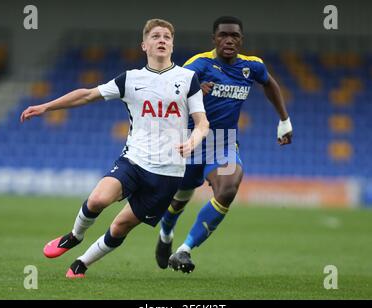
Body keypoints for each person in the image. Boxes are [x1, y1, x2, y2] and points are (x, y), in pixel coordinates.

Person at [20, 18, 209, 278]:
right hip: (134, 160)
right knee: (98, 199)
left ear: (173, 45)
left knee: (120, 227)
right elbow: (87, 94)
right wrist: (45, 106)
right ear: (144, 45)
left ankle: (81, 264)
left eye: (167, 36)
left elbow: (202, 123)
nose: (162, 40)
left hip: (169, 173)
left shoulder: (188, 79)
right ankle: (75, 235)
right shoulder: (130, 79)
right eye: (155, 36)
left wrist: (193, 141)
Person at [155, 16, 293, 273]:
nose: (229, 40)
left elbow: (270, 84)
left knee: (228, 188)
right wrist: (193, 92)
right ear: (214, 39)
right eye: (223, 35)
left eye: (235, 36)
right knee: (180, 199)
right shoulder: (198, 65)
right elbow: (167, 95)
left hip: (223, 143)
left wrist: (284, 120)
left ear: (241, 40)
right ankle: (166, 233)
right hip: (191, 140)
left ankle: (184, 250)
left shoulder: (252, 67)